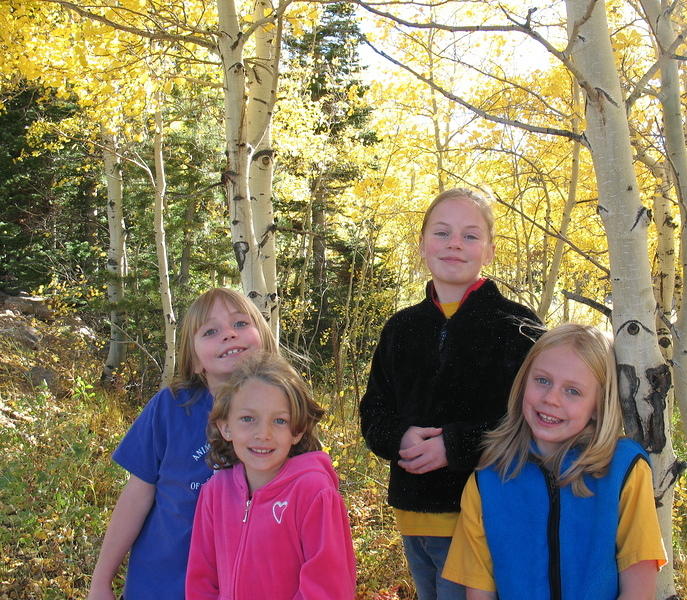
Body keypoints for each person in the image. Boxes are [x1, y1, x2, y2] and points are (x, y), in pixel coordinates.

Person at [360, 187, 543, 600]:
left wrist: (455, 447)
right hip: (414, 517)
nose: (455, 244)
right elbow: (374, 412)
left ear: (490, 251)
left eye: (470, 235)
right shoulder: (400, 329)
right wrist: (399, 437)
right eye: (442, 233)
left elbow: (534, 422)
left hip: (483, 518)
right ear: (423, 244)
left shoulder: (518, 327)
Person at [442, 324, 667, 600]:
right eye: (543, 380)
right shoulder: (489, 479)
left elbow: (639, 585)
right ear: (524, 381)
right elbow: (479, 591)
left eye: (573, 391)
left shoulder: (623, 469)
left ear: (599, 404)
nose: (551, 399)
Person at [88, 288, 276, 600]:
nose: (229, 334)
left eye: (241, 323)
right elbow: (136, 496)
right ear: (195, 361)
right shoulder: (171, 407)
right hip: (160, 585)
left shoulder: (286, 412)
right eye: (211, 331)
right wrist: (100, 581)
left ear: (265, 339)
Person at [185, 352, 356, 599]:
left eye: (279, 421)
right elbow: (202, 580)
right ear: (226, 427)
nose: (263, 433)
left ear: (296, 430)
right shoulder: (215, 492)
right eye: (247, 419)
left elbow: (327, 588)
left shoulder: (313, 493)